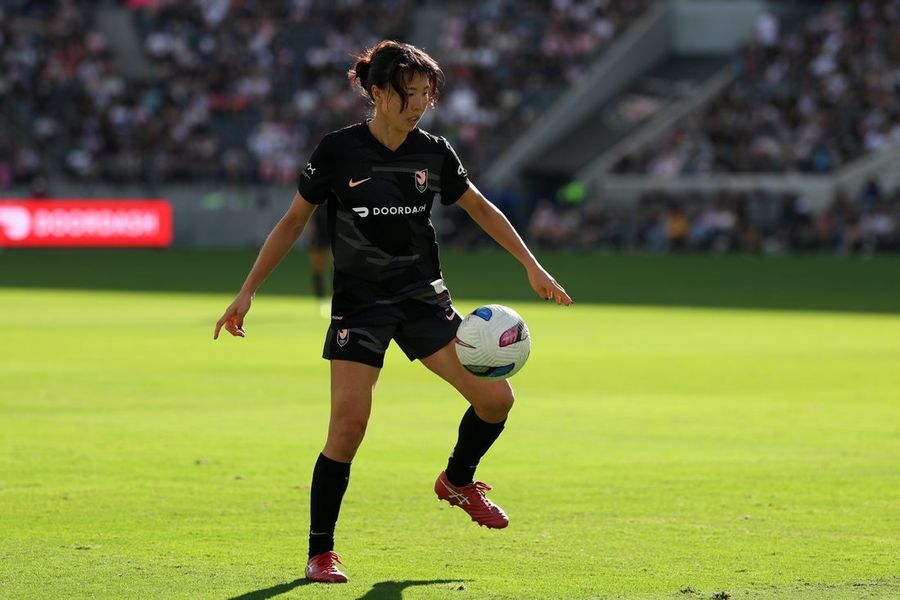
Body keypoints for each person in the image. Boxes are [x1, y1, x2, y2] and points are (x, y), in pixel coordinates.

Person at [214, 40, 572, 584]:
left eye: (427, 94)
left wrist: (531, 264)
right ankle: (320, 553)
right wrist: (247, 292)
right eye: (409, 94)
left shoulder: (434, 151)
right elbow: (291, 222)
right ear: (377, 93)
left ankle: (457, 479)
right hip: (360, 306)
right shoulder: (338, 151)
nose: (420, 105)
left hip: (424, 299)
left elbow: (477, 205)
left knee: (497, 398)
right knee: (348, 429)